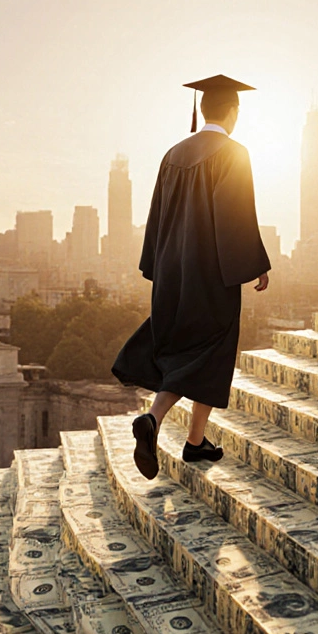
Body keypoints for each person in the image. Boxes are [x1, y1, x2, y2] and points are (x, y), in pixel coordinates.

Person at [111, 74, 271, 480]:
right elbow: (235, 216)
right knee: (212, 350)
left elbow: (157, 216)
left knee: (185, 348)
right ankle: (160, 421)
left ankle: (192, 440)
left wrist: (156, 266)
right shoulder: (233, 153)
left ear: (203, 109)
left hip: (172, 273)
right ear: (233, 112)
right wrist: (255, 262)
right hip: (211, 273)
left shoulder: (173, 154)